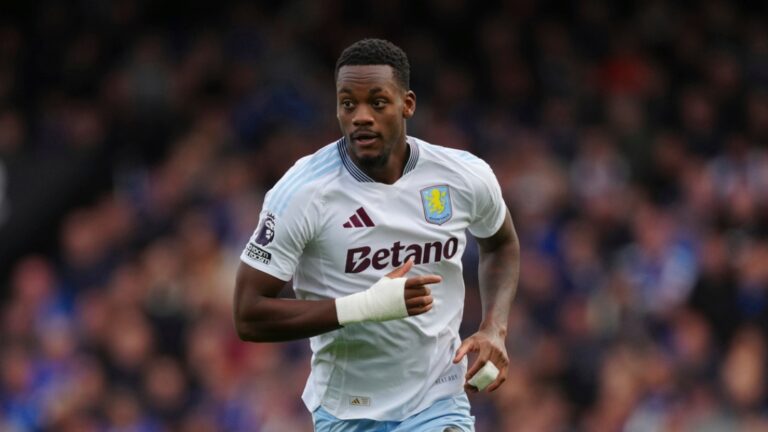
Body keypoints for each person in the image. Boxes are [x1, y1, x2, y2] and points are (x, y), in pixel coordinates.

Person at [234, 38, 520, 431]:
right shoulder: (302, 193)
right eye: (348, 104)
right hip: (348, 411)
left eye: (378, 102)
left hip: (437, 401)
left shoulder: (463, 175)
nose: (360, 116)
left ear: (408, 104)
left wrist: (494, 327)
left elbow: (501, 243)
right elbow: (248, 315)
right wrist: (364, 306)